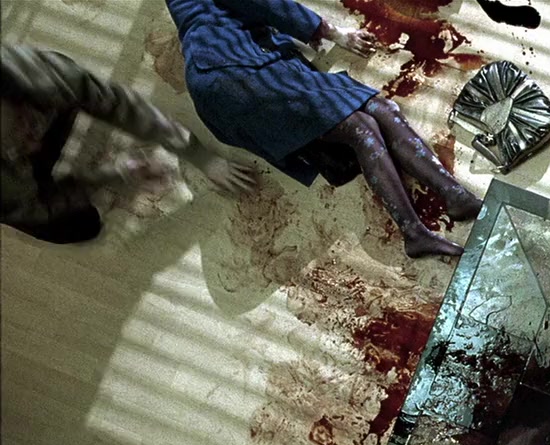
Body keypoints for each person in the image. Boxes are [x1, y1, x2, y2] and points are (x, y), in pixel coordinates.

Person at [165, 0, 483, 258]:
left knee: (374, 115)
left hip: (232, 81)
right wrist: (331, 32)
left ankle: (448, 203)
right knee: (362, 125)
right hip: (237, 72)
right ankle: (425, 223)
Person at [1, 43, 257, 244]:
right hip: (12, 183)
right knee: (77, 225)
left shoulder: (36, 74)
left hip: (41, 98)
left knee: (73, 86)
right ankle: (25, 154)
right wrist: (115, 174)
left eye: (27, 124)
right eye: (15, 147)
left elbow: (120, 105)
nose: (33, 145)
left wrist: (202, 156)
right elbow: (40, 207)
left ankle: (38, 126)